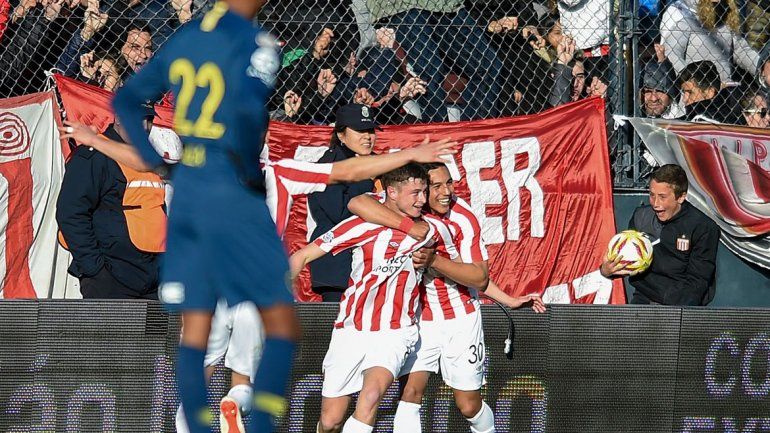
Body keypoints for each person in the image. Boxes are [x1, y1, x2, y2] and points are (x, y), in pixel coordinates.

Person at [59, 121, 458, 433]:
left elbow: (144, 161)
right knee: (245, 377)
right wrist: (411, 152)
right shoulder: (281, 173)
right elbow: (350, 168)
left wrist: (94, 138)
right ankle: (238, 398)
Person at [108, 0, 294, 431]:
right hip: (236, 217)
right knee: (275, 334)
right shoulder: (258, 45)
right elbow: (249, 112)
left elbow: (127, 110)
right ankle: (251, 412)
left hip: (192, 220)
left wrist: (152, 161)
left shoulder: (184, 43)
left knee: (196, 345)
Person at [347, 163, 546, 433]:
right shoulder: (403, 209)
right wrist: (407, 225)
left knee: (468, 406)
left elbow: (478, 277)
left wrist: (435, 260)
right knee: (409, 394)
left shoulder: (462, 217)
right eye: (437, 186)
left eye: (449, 183)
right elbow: (357, 203)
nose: (447, 192)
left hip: (460, 320)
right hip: (418, 320)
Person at [289, 163, 457, 433]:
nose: (422, 200)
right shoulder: (362, 225)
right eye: (415, 193)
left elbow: (469, 266)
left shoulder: (430, 228)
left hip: (394, 331)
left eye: (424, 192)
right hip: (351, 329)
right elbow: (303, 255)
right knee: (331, 421)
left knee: (370, 398)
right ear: (390, 192)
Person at [56, 106, 170, 300]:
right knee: (111, 331)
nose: (144, 127)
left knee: (155, 332)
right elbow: (71, 212)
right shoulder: (94, 155)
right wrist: (96, 269)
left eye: (149, 120)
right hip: (112, 277)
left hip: (151, 275)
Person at [601, 164, 720, 305]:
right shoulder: (641, 216)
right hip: (643, 299)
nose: (655, 203)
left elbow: (697, 282)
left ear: (681, 197)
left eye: (662, 197)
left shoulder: (703, 227)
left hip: (680, 305)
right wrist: (607, 271)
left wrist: (677, 313)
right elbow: (629, 263)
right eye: (652, 195)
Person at [308, 103, 377, 302]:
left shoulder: (378, 163)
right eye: (359, 130)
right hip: (338, 264)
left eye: (370, 130)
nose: (367, 136)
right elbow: (339, 212)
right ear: (341, 135)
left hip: (371, 264)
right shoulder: (328, 166)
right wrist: (368, 180)